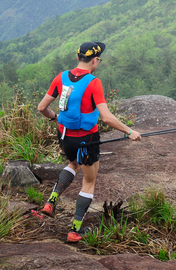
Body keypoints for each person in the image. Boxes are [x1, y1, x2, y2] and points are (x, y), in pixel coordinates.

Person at [36, 41, 141, 242]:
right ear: (95, 60)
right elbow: (107, 118)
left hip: (65, 136)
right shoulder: (94, 83)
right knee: (89, 181)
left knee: (72, 164)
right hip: (87, 139)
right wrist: (129, 131)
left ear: (78, 58)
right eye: (98, 60)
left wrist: (54, 118)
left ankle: (51, 202)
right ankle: (75, 230)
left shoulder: (61, 77)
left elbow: (42, 107)